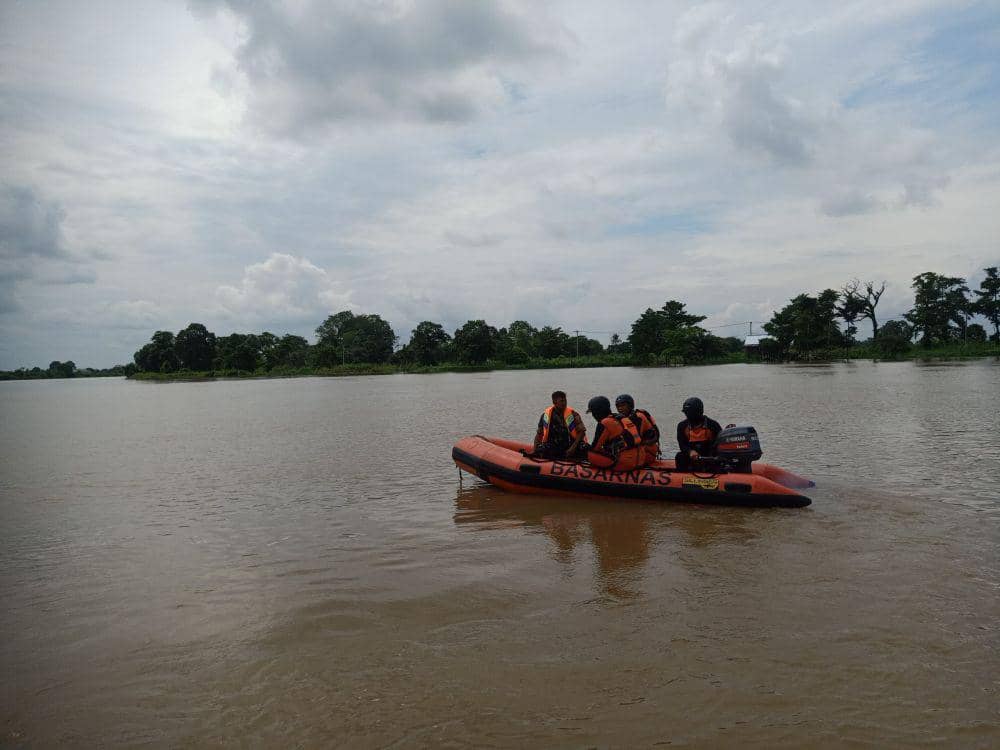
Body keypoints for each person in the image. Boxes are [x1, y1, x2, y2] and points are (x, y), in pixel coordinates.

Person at [585, 396, 648, 470]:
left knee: (589, 453)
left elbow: (595, 448)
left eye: (593, 413)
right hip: (640, 460)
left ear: (597, 412)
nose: (593, 416)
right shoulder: (620, 418)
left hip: (625, 463)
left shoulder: (604, 423)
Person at [533, 390, 586, 459]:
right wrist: (535, 450)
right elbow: (539, 434)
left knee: (584, 448)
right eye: (561, 401)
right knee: (541, 449)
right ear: (554, 402)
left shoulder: (573, 415)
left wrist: (572, 448)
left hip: (570, 445)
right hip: (553, 446)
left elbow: (582, 432)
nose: (564, 403)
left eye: (565, 400)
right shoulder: (545, 416)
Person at [675, 396, 723, 471]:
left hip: (709, 457)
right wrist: (690, 451)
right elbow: (682, 445)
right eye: (686, 413)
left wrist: (711, 456)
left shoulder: (713, 425)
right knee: (680, 456)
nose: (687, 416)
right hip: (691, 457)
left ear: (698, 412)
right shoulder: (682, 426)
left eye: (689, 413)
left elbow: (720, 444)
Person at [615, 394, 661, 463]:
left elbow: (634, 441)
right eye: (618, 406)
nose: (620, 408)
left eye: (623, 405)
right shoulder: (633, 416)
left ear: (630, 405)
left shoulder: (637, 418)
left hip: (647, 453)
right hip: (647, 451)